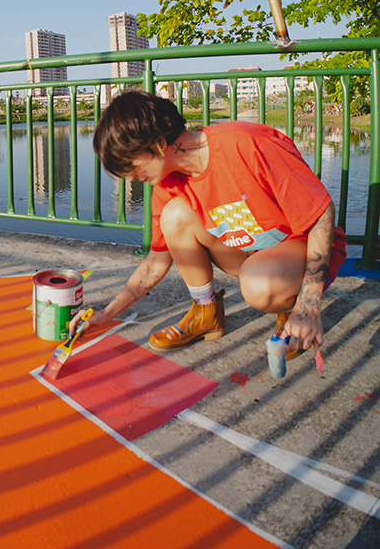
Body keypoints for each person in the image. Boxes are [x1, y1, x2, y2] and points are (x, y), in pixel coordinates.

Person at [70, 90, 346, 357]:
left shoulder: (245, 144)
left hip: (303, 247)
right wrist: (107, 314)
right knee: (174, 215)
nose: (130, 178)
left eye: (129, 164)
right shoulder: (167, 185)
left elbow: (320, 212)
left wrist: (308, 306)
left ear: (157, 143)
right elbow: (155, 263)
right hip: (250, 255)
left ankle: (291, 308)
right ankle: (207, 314)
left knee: (258, 284)